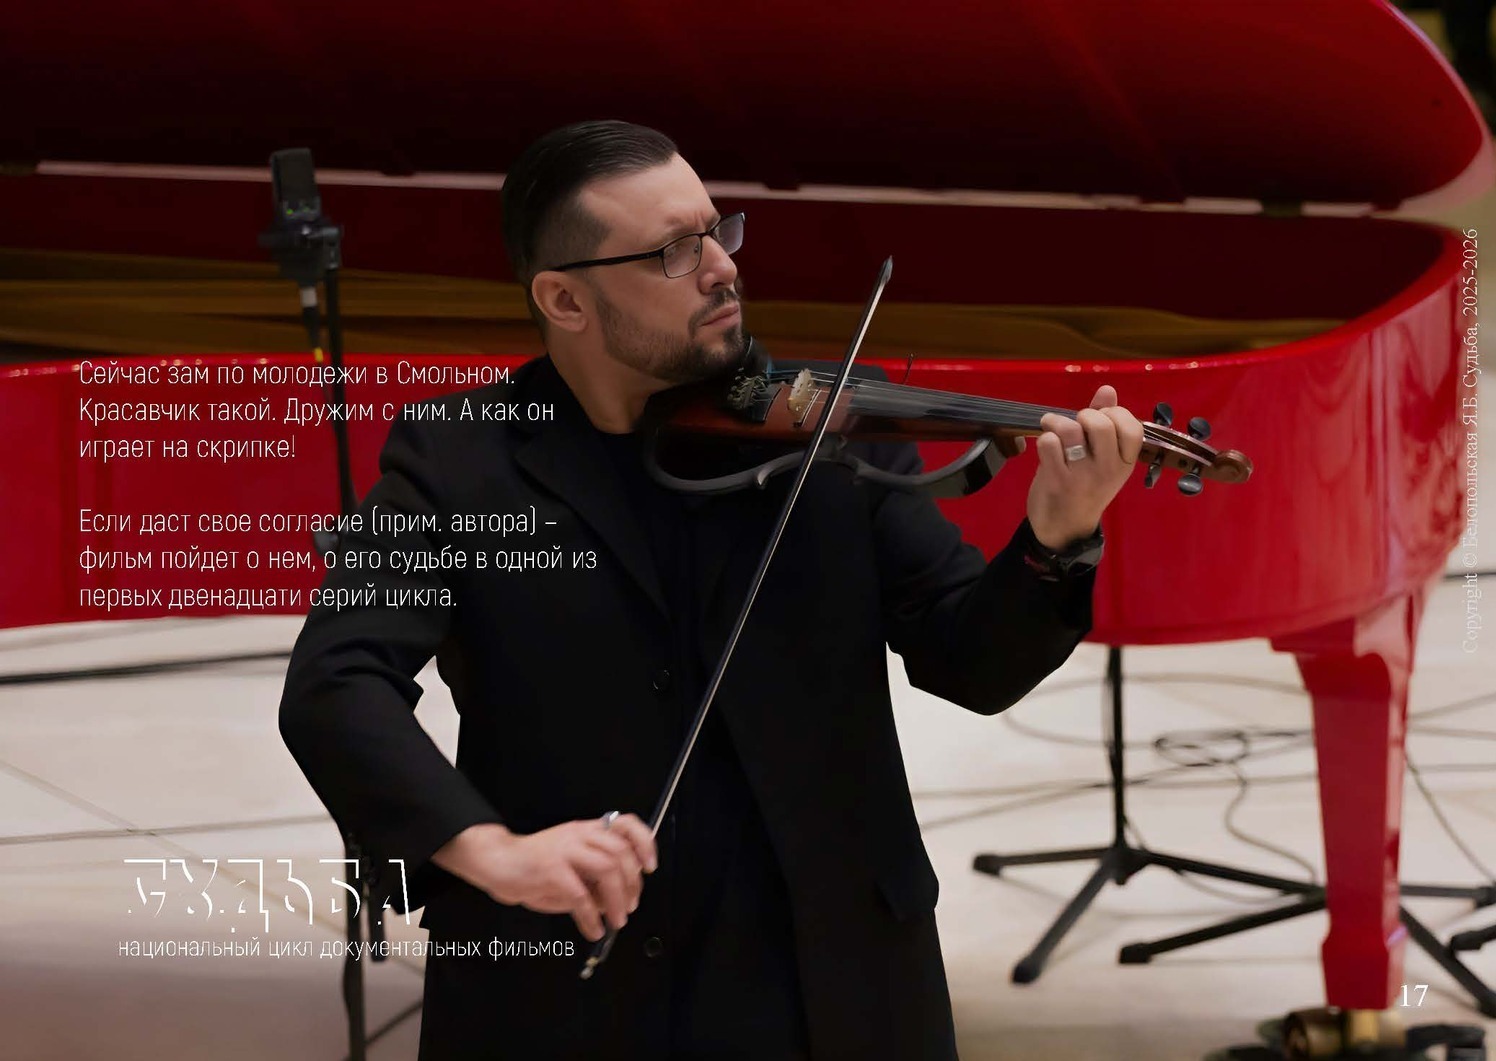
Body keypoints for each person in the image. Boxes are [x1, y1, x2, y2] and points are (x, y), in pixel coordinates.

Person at [278, 119, 1143, 1060]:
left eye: (716, 232)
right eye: (674, 252)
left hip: (830, 987)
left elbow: (972, 660)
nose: (722, 268)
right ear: (565, 298)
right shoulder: (459, 461)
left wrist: (1057, 535)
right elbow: (337, 684)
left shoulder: (825, 430)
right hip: (568, 993)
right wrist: (489, 849)